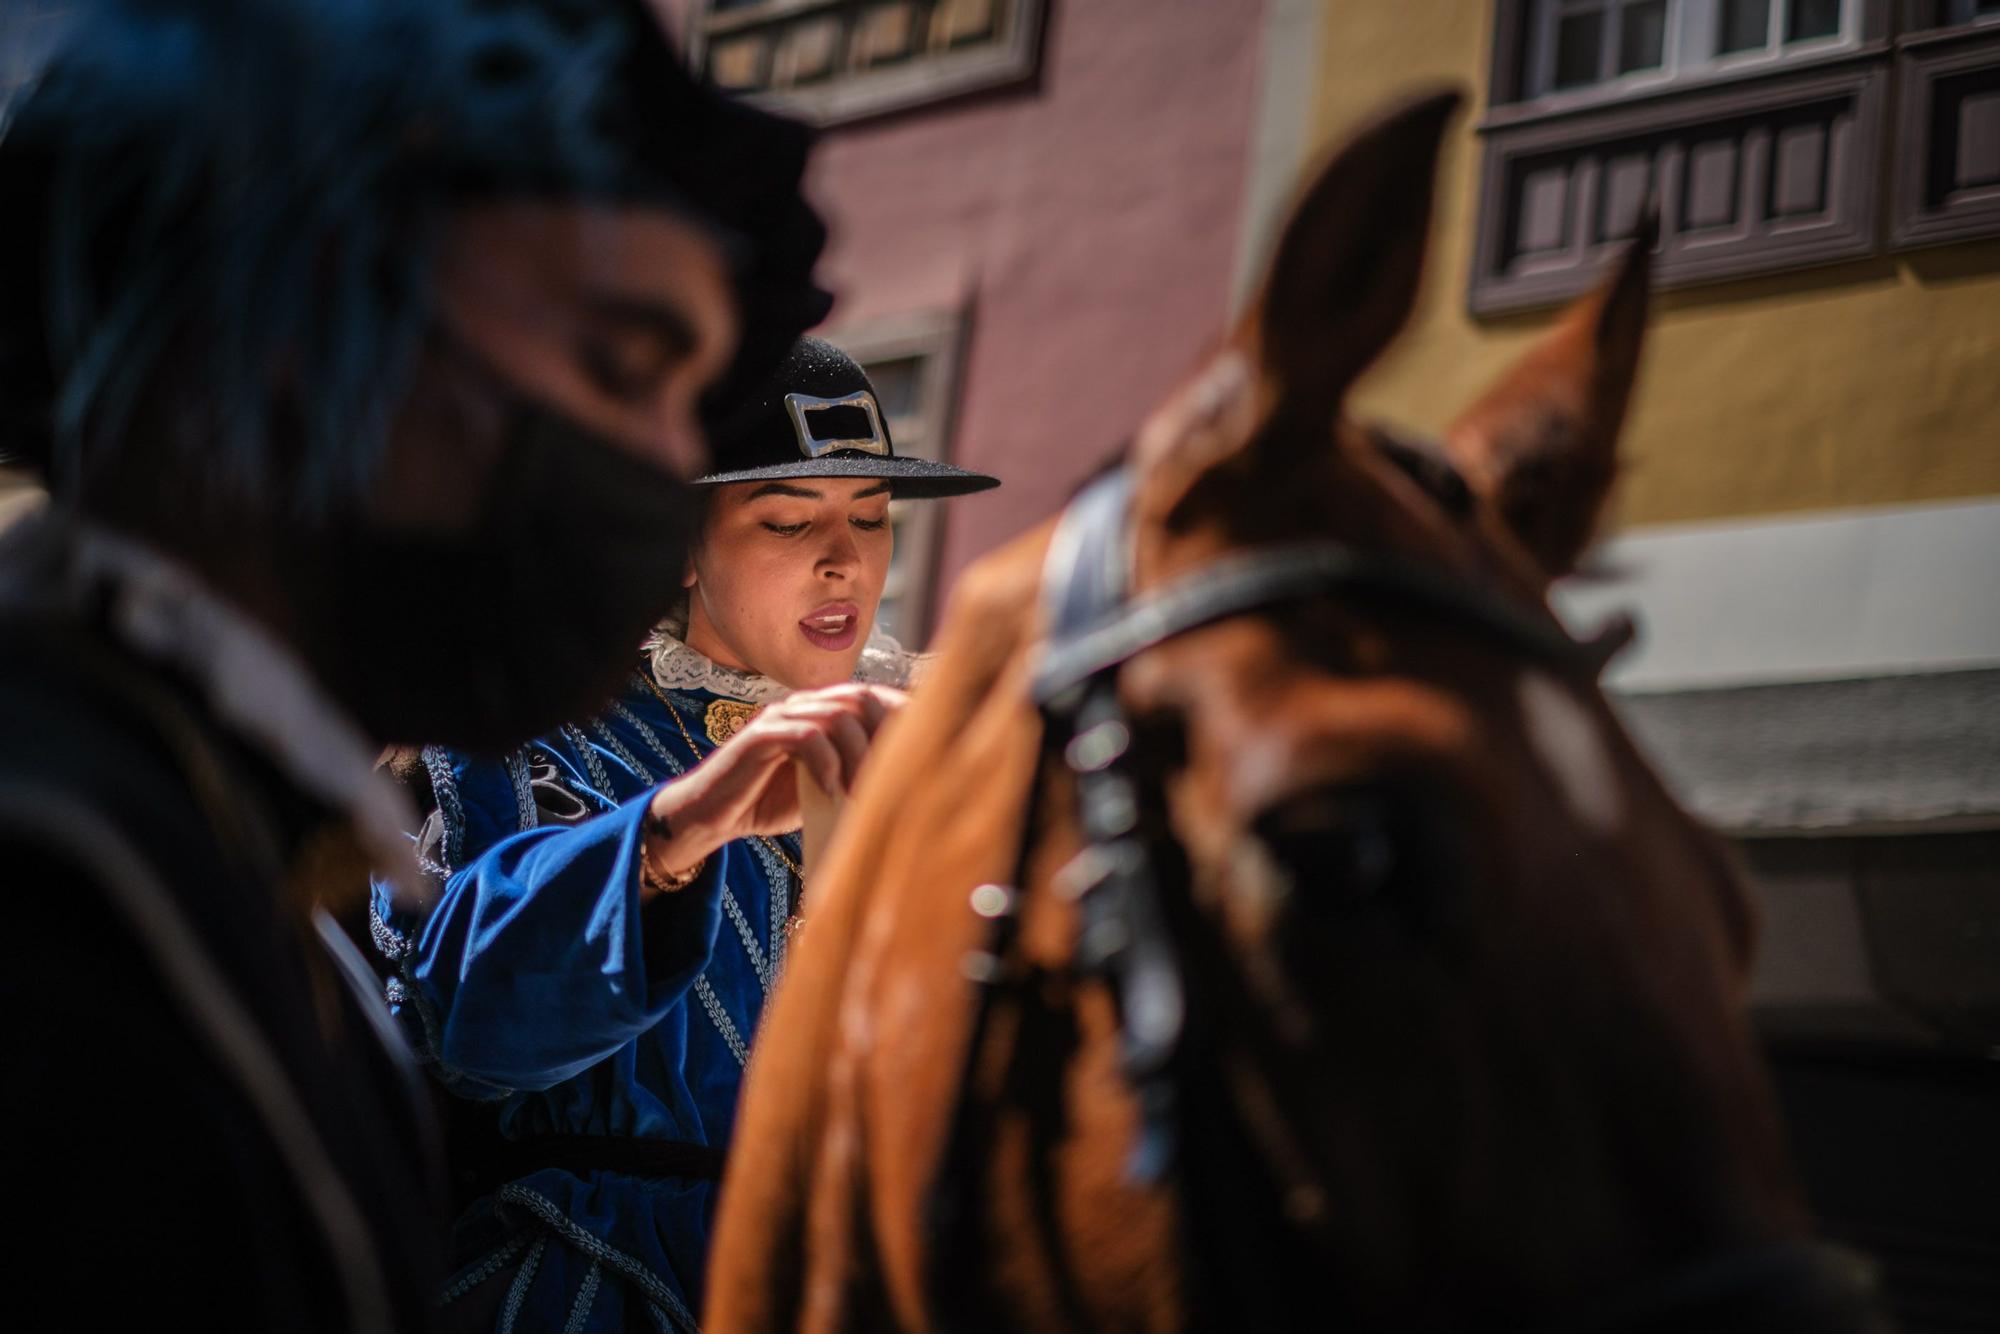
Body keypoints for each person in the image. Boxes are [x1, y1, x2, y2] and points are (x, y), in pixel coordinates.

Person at [0, 2, 829, 1330]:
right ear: (298, 317)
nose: (670, 480)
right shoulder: (54, 865)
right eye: (621, 362)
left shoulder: (224, 858)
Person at [373, 338, 999, 1330]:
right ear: (678, 539)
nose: (844, 557)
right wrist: (686, 822)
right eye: (789, 520)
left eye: (872, 518)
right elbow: (467, 1026)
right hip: (601, 1283)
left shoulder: (932, 750)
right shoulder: (531, 731)